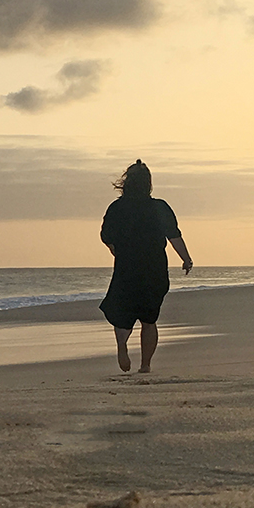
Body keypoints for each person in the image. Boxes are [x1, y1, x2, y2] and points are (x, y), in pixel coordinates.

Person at [100, 160, 193, 373]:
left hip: (126, 269)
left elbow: (106, 236)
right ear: (148, 184)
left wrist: (114, 249)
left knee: (122, 313)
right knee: (149, 319)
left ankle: (122, 345)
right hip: (154, 269)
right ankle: (145, 365)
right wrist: (186, 259)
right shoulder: (159, 207)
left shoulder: (116, 208)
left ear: (126, 183)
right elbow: (174, 235)